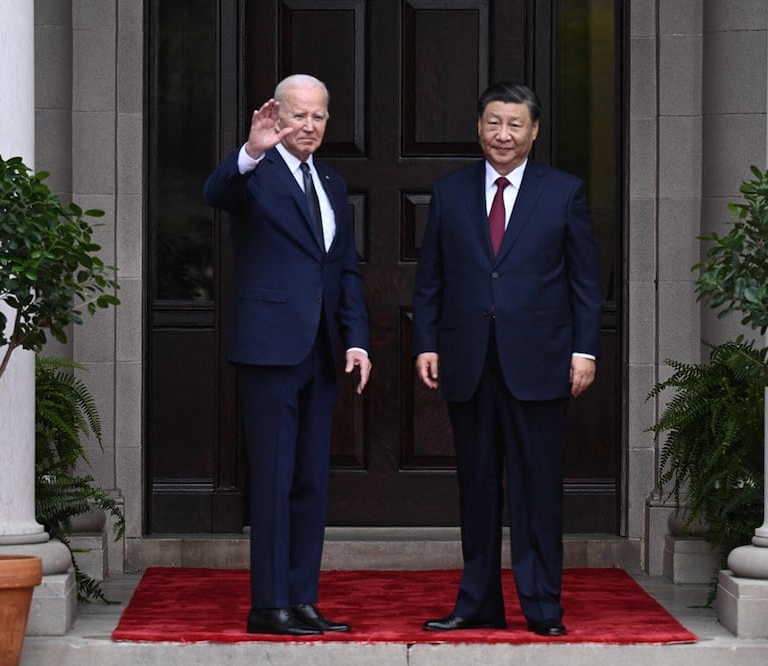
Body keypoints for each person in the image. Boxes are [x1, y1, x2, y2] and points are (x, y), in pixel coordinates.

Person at [411, 82, 603, 637]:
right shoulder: (449, 192)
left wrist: (584, 350)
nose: (503, 134)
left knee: (537, 490)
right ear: (478, 127)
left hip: (540, 362)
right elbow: (431, 280)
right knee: (476, 489)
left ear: (534, 131)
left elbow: (586, 284)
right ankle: (477, 603)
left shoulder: (563, 192)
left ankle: (542, 607)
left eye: (515, 125)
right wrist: (426, 341)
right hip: (468, 362)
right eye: (494, 123)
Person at [203, 74, 371, 636]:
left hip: (321, 351)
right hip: (270, 349)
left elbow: (344, 269)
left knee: (310, 483)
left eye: (319, 116)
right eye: (298, 115)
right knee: (273, 479)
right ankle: (267, 604)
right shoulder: (256, 174)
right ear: (277, 117)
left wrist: (356, 339)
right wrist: (251, 149)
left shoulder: (331, 181)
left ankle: (302, 599)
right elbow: (216, 192)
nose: (309, 126)